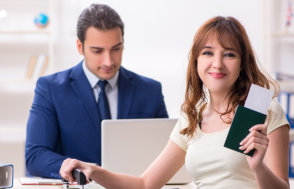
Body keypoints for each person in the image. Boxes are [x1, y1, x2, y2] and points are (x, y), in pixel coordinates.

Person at [60, 16, 290, 189]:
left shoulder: (265, 112)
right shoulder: (191, 117)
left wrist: (258, 166)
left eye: (229, 54)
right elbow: (145, 184)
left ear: (242, 63)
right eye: (208, 53)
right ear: (197, 61)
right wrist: (94, 170)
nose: (217, 64)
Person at [25, 4, 168, 179]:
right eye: (97, 51)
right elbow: (36, 155)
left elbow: (166, 154)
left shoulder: (150, 91)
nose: (108, 61)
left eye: (116, 49)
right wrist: (73, 168)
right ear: (80, 47)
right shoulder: (50, 89)